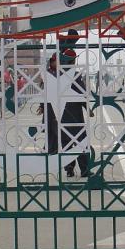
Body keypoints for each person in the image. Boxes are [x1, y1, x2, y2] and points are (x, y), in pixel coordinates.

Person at [43, 49, 91, 178]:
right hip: (75, 115)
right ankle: (85, 170)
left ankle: (69, 169)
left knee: (66, 143)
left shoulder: (53, 75)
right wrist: (88, 108)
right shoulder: (74, 75)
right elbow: (82, 93)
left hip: (60, 115)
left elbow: (46, 96)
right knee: (81, 142)